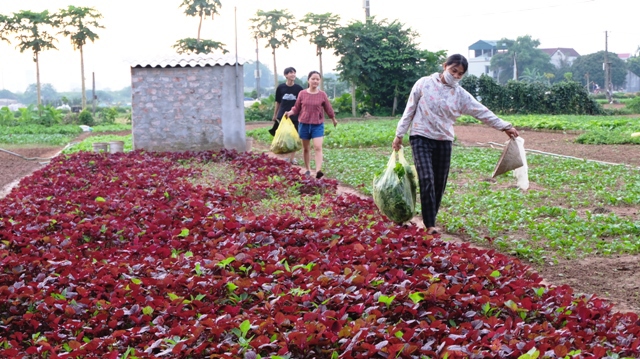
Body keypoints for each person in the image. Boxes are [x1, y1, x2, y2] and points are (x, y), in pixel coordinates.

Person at [392, 54, 519, 235]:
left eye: (460, 74)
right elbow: (409, 109)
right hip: (421, 136)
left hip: (444, 140)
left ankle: (430, 221)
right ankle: (430, 225)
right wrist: (399, 134)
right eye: (454, 71)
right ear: (445, 66)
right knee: (426, 179)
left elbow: (481, 112)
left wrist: (505, 126)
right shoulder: (424, 84)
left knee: (439, 183)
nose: (456, 76)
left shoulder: (460, 95)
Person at [285, 70, 338, 179]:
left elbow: (328, 108)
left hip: (317, 124)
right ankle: (308, 169)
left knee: (318, 147)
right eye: (313, 79)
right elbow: (297, 107)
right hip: (304, 124)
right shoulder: (302, 93)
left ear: (319, 81)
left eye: (317, 79)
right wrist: (290, 113)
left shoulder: (322, 94)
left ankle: (318, 170)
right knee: (306, 149)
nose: (315, 81)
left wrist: (333, 119)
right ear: (308, 80)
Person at [270, 67, 304, 164]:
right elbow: (277, 102)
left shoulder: (299, 88)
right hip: (283, 116)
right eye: (290, 73)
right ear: (286, 75)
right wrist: (275, 114)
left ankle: (292, 158)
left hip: (295, 116)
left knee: (294, 136)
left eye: (294, 72)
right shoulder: (281, 88)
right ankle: (286, 157)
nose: (293, 74)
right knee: (285, 136)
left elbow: (301, 103)